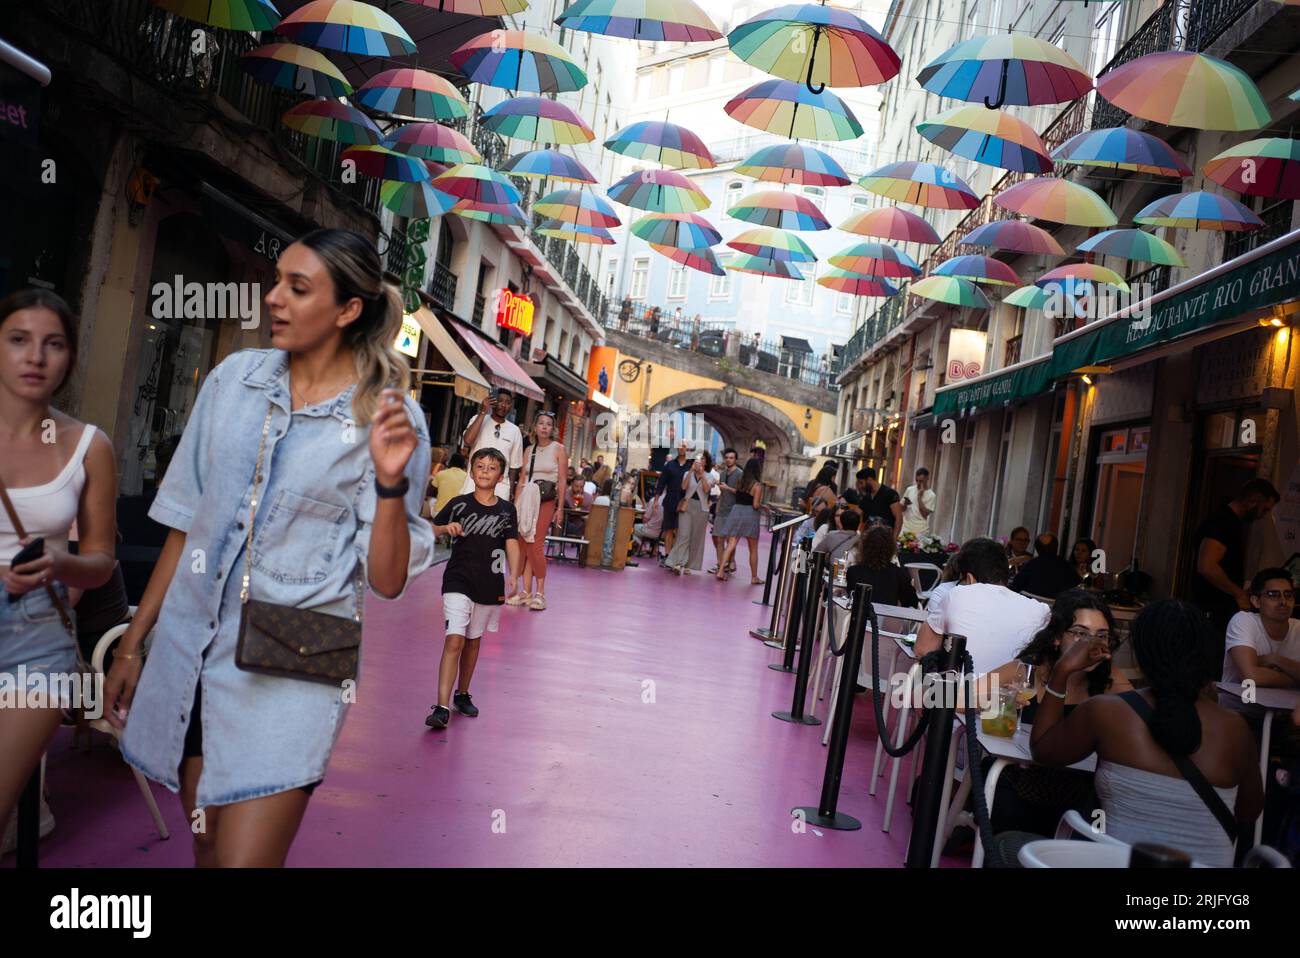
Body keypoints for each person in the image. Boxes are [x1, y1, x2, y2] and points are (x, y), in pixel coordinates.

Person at [108, 229, 435, 867]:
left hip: (291, 672)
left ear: (348, 310)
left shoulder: (389, 418)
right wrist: (131, 642)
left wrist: (392, 485)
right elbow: (184, 523)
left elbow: (389, 581)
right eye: (277, 280)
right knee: (205, 849)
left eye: (298, 287)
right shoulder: (233, 381)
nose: (273, 298)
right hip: (192, 656)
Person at [0, 289, 117, 836]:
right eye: (19, 340)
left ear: (70, 358)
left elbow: (100, 562)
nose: (35, 357)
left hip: (38, 636)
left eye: (53, 344)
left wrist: (58, 561)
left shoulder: (89, 446)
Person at [1028, 600, 1263, 867]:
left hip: (1119, 864)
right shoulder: (1235, 727)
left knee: (1007, 843)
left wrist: (1061, 672)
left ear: (1141, 655)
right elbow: (1249, 811)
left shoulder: (1106, 712)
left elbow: (1043, 751)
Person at [982, 591, 1133, 838]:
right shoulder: (1030, 671)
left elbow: (1140, 722)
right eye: (1081, 634)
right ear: (1056, 638)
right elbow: (958, 698)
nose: (1091, 644)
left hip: (1078, 796)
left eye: (1102, 636)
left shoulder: (1110, 680)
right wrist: (999, 699)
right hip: (1018, 784)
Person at [427, 448, 521, 730]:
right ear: (471, 471)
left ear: (501, 476)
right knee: (453, 639)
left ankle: (462, 694)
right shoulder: (458, 504)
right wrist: (446, 529)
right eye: (479, 466)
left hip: (489, 583)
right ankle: (441, 707)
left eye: (491, 468)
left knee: (472, 641)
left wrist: (514, 574)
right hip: (457, 579)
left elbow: (512, 542)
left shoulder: (507, 510)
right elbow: (431, 528)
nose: (484, 471)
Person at [916, 537, 1050, 674]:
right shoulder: (1041, 610)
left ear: (969, 579)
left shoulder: (958, 594)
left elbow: (922, 649)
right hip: (1013, 693)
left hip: (958, 692)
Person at [1192, 478, 1281, 669]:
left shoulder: (1231, 522)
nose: (1263, 515)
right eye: (1264, 509)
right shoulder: (1223, 521)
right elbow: (1207, 565)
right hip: (1211, 613)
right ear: (1253, 501)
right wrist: (1238, 593)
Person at [509, 411, 566, 613]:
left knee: (536, 544)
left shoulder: (558, 449)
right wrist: (515, 506)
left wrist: (560, 508)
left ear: (553, 428)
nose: (544, 427)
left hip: (547, 499)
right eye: (540, 423)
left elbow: (561, 480)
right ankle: (525, 591)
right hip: (527, 499)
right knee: (523, 542)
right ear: (535, 427)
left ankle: (540, 593)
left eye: (548, 424)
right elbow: (522, 479)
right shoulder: (529, 450)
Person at [1222, 567, 1300, 688]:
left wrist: (1275, 659)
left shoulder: (1298, 628)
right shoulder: (1243, 621)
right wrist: (1295, 679)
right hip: (1240, 706)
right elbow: (1251, 677)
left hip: (1288, 706)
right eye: (1273, 595)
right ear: (1256, 601)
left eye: (1288, 595)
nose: (1283, 601)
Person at [460, 389, 524, 500]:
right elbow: (468, 441)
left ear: (511, 407)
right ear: (492, 401)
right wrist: (483, 412)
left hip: (500, 490)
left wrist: (510, 490)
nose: (504, 405)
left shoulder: (515, 431)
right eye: (500, 401)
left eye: (508, 402)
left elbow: (514, 467)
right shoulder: (478, 419)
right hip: (473, 485)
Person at [716, 457, 764, 584]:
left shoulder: (740, 480)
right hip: (750, 514)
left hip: (736, 511)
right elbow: (755, 505)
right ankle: (754, 577)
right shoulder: (757, 485)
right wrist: (764, 507)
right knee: (753, 548)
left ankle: (720, 570)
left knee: (731, 543)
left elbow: (737, 494)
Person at [846, 526, 918, 607]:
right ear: (891, 548)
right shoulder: (899, 573)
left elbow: (851, 598)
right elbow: (912, 603)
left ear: (864, 547)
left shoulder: (853, 571)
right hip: (887, 618)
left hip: (861, 618)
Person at [666, 451, 712, 575]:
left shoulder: (710, 476)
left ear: (705, 462)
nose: (699, 461)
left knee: (695, 538)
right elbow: (684, 487)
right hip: (687, 506)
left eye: (702, 459)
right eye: (697, 459)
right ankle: (676, 562)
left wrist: (702, 475)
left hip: (701, 509)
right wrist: (691, 471)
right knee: (683, 535)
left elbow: (707, 490)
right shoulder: (687, 473)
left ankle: (687, 564)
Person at [1010, 532, 1081, 599]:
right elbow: (1077, 590)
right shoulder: (1068, 567)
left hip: (1029, 608)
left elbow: (1015, 587)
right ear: (1056, 547)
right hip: (1057, 609)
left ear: (1037, 549)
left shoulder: (1031, 565)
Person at [655, 440, 692, 556]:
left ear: (688, 449)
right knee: (668, 529)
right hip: (670, 500)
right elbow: (661, 483)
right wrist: (656, 500)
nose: (681, 448)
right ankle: (667, 555)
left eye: (684, 446)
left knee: (680, 530)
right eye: (680, 446)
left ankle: (675, 556)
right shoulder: (670, 465)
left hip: (685, 502)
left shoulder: (692, 465)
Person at [711, 449, 742, 574]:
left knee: (730, 540)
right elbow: (722, 494)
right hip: (722, 510)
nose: (728, 459)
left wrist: (727, 488)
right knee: (719, 539)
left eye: (731, 458)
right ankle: (720, 565)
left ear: (735, 460)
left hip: (734, 511)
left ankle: (730, 562)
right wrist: (717, 510)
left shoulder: (740, 474)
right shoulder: (722, 474)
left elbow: (741, 493)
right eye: (727, 457)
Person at [858, 467, 902, 538]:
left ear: (869, 480)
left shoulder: (890, 494)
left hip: (885, 539)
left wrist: (894, 540)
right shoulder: (866, 496)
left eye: (861, 483)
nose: (860, 486)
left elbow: (899, 518)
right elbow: (857, 514)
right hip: (868, 539)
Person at [899, 467, 936, 538]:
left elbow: (925, 514)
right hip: (906, 527)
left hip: (921, 530)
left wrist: (919, 496)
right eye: (917, 480)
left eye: (921, 481)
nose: (918, 483)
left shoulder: (931, 495)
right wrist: (905, 504)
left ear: (927, 478)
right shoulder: (909, 489)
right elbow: (902, 509)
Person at [433, 452, 468, 519]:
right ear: (463, 464)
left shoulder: (441, 473)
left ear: (450, 461)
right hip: (457, 515)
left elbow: (431, 493)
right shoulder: (466, 477)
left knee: (431, 500)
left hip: (438, 513)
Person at [633, 491, 664, 557]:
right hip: (661, 534)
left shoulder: (654, 500)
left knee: (630, 527)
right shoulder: (671, 501)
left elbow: (645, 519)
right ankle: (650, 549)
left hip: (649, 530)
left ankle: (642, 546)